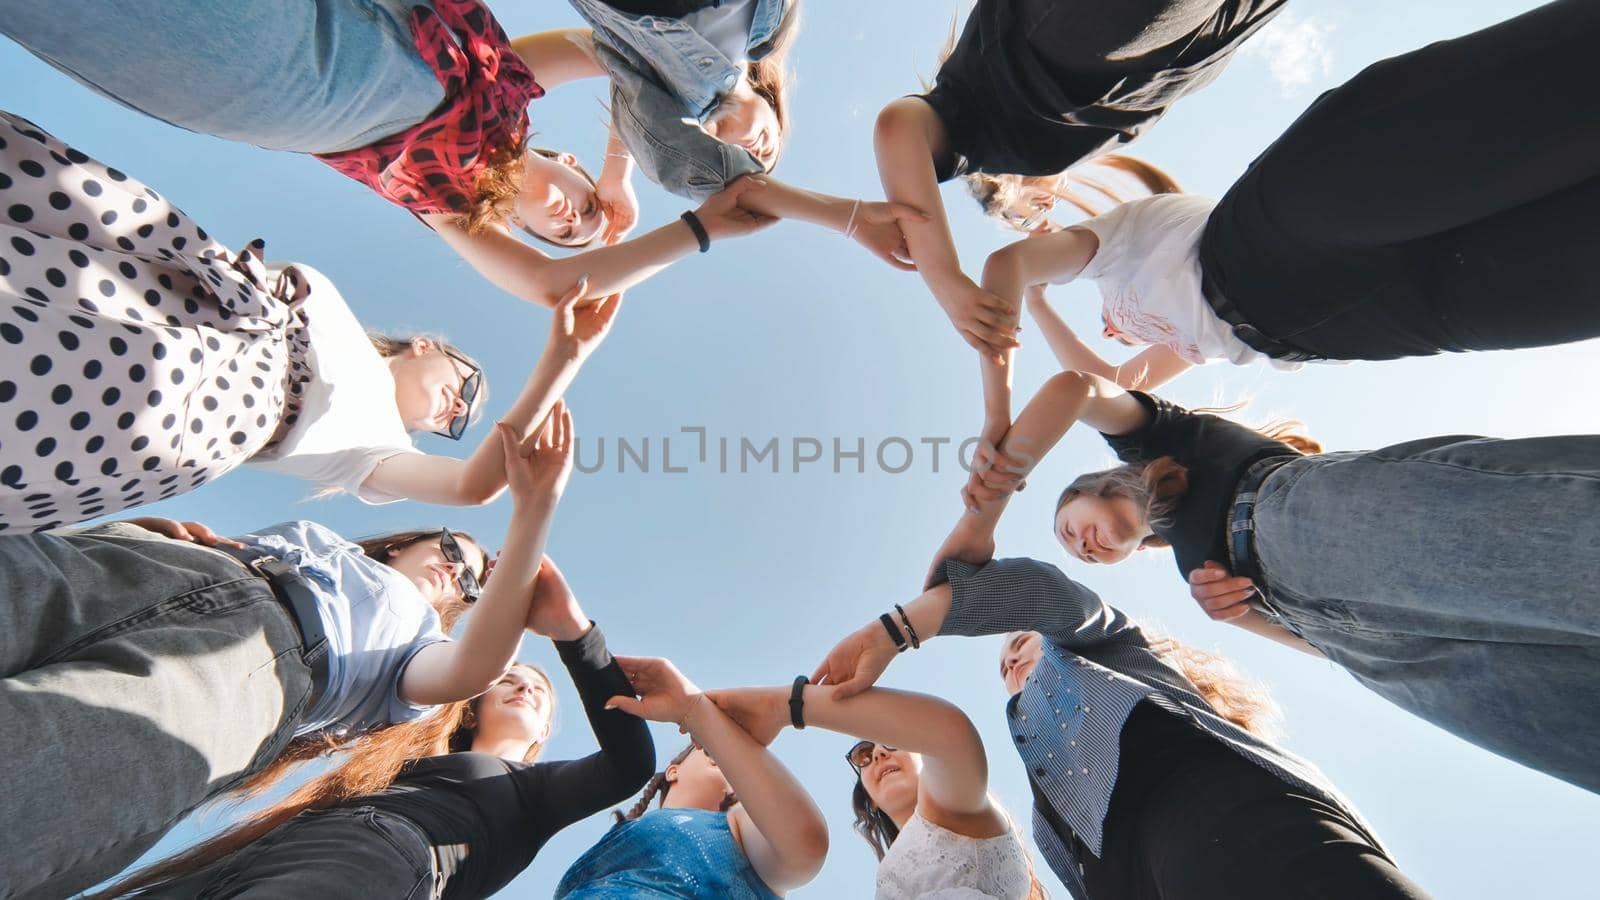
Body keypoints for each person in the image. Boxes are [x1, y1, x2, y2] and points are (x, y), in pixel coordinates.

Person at [0, 400, 576, 898]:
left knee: (36, 767)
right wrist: (151, 532)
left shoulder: (418, 646)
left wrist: (534, 512)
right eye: (453, 547)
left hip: (256, 664)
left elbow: (476, 666)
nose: (455, 569)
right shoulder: (324, 541)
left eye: (473, 581)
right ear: (410, 540)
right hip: (153, 565)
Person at [940, 368, 1600, 794]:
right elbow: (1308, 647)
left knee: (1571, 553)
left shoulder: (1163, 439)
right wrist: (1238, 613)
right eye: (1079, 555)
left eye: (1068, 527)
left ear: (1090, 488)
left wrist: (980, 521)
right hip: (1359, 645)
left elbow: (1073, 390)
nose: (1080, 547)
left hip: (1304, 518)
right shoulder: (1191, 571)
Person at [0, 109, 623, 531]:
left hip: (204, 400)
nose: (455, 411)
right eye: (466, 387)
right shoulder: (334, 316)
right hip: (169, 276)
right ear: (425, 346)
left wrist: (563, 360)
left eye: (457, 425)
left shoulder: (377, 453)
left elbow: (474, 487)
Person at [969, 0, 1600, 401]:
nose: (1111, 329)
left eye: (1111, 325)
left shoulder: (1118, 247)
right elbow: (1110, 386)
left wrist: (1000, 410)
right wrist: (1045, 309)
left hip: (1264, 242)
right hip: (1340, 329)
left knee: (1543, 104)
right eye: (1114, 332)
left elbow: (1007, 268)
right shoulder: (1187, 344)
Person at [0, 0, 776, 308]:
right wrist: (618, 173)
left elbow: (552, 286)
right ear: (567, 161)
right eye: (580, 213)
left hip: (323, 82)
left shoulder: (453, 210)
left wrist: (697, 229)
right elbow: (616, 52)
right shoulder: (515, 84)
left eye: (564, 230)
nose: (573, 223)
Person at [812, 556, 1433, 899]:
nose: (1010, 660)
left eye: (1020, 644)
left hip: (1232, 826)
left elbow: (1044, 594)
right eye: (1004, 664)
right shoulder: (1042, 789)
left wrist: (901, 627)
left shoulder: (1109, 651)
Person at [98, 557, 656, 900]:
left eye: (539, 690)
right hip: (274, 849)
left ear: (543, 733)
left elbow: (629, 765)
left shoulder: (537, 790)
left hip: (383, 858)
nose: (525, 687)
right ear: (473, 704)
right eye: (509, 677)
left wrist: (574, 635)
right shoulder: (401, 749)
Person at [869, 0, 1286, 448]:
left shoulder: (988, 117)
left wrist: (947, 282)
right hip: (1187, 53)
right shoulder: (1094, 126)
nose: (1050, 203)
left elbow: (900, 126)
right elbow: (1115, 382)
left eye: (1033, 209)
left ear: (1009, 187)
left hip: (1075, 38)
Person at [563, 0, 931, 271]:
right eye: (767, 157)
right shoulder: (771, 30)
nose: (756, 153)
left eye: (751, 165)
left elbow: (732, 184)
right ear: (775, 110)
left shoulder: (662, 104)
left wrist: (850, 219)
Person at [705, 682, 1036, 898]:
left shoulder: (959, 808)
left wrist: (785, 707)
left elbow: (951, 735)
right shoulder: (891, 877)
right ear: (871, 803)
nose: (878, 753)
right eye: (863, 754)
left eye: (892, 742)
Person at [555, 656, 829, 898]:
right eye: (708, 747)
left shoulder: (739, 824)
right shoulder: (620, 835)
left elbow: (805, 847)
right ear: (674, 770)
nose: (726, 756)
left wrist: (697, 711)